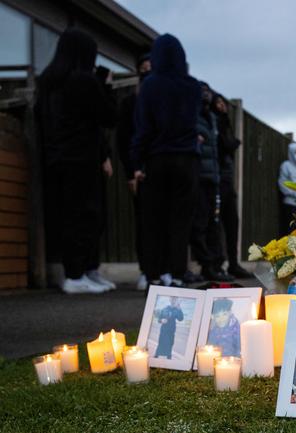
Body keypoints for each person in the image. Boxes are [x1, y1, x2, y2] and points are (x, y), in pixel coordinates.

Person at [36, 29, 117, 294]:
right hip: (82, 158)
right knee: (88, 216)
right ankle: (77, 274)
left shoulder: (48, 81)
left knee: (71, 216)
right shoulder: (84, 81)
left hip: (58, 158)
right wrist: (105, 84)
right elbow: (107, 116)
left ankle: (84, 272)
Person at [130, 33, 201, 288]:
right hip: (187, 159)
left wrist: (137, 163)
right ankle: (178, 274)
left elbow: (142, 128)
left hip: (157, 158)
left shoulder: (150, 85)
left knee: (153, 219)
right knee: (181, 221)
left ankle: (153, 274)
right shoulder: (193, 86)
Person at [116, 53, 151, 290]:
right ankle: (146, 270)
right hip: (140, 171)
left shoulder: (164, 101)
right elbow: (124, 138)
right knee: (145, 223)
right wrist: (132, 171)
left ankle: (167, 270)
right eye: (143, 69)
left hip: (160, 168)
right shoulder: (130, 103)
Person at [189, 82, 230, 282]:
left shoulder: (211, 118)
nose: (206, 95)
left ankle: (214, 263)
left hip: (213, 178)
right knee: (200, 223)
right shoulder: (193, 117)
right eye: (202, 92)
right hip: (199, 178)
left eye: (208, 92)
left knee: (213, 224)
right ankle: (206, 264)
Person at [211, 92, 253, 279]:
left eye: (223, 103)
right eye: (218, 103)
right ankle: (217, 264)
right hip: (216, 180)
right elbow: (226, 145)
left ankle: (233, 263)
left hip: (227, 179)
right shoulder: (214, 124)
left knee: (232, 223)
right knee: (216, 224)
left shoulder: (225, 123)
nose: (222, 106)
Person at [278, 142, 296, 235]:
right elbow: (282, 184)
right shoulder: (286, 165)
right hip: (290, 204)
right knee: (290, 230)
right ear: (292, 152)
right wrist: (293, 194)